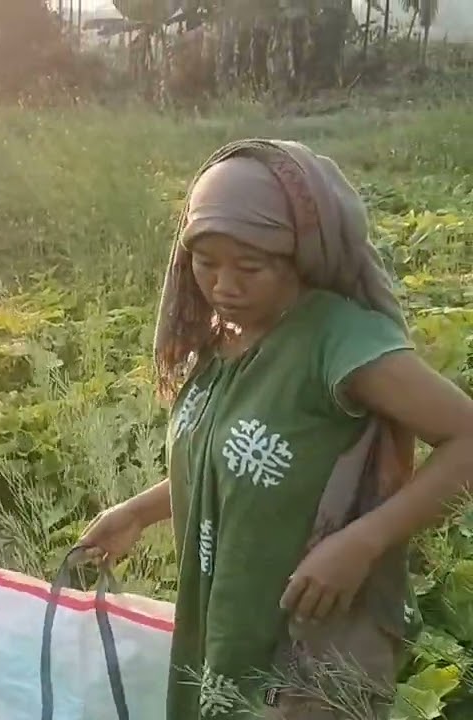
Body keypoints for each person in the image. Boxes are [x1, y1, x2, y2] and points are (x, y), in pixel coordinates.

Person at [77, 139, 473, 720]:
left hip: (307, 643)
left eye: (250, 267)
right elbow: (235, 459)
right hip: (229, 622)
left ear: (301, 255)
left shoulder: (340, 341)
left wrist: (363, 542)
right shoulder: (228, 337)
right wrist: (138, 512)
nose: (223, 286)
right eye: (205, 262)